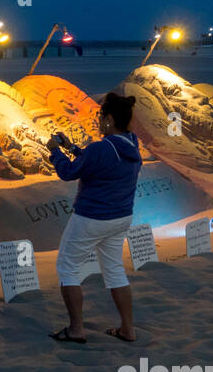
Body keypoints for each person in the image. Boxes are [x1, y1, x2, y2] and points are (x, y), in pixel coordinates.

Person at [46, 91, 143, 343]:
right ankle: (128, 329)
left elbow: (68, 172)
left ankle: (76, 329)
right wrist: (72, 148)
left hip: (91, 218)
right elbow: (96, 162)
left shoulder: (101, 148)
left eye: (100, 116)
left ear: (109, 119)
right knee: (114, 271)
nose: (98, 121)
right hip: (121, 218)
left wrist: (56, 151)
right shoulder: (132, 144)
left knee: (67, 268)